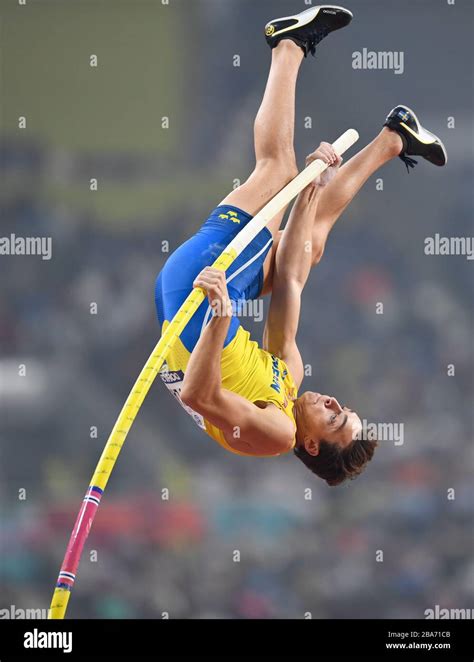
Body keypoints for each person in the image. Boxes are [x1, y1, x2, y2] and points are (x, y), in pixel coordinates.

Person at [154, 5, 447, 485]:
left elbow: (197, 396)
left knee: (274, 171)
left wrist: (220, 318)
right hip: (202, 296)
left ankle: (288, 45)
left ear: (312, 445)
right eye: (343, 408)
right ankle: (394, 139)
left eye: (334, 419)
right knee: (307, 246)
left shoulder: (275, 433)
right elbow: (290, 278)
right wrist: (310, 190)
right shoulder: (289, 374)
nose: (334, 402)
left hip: (198, 295)